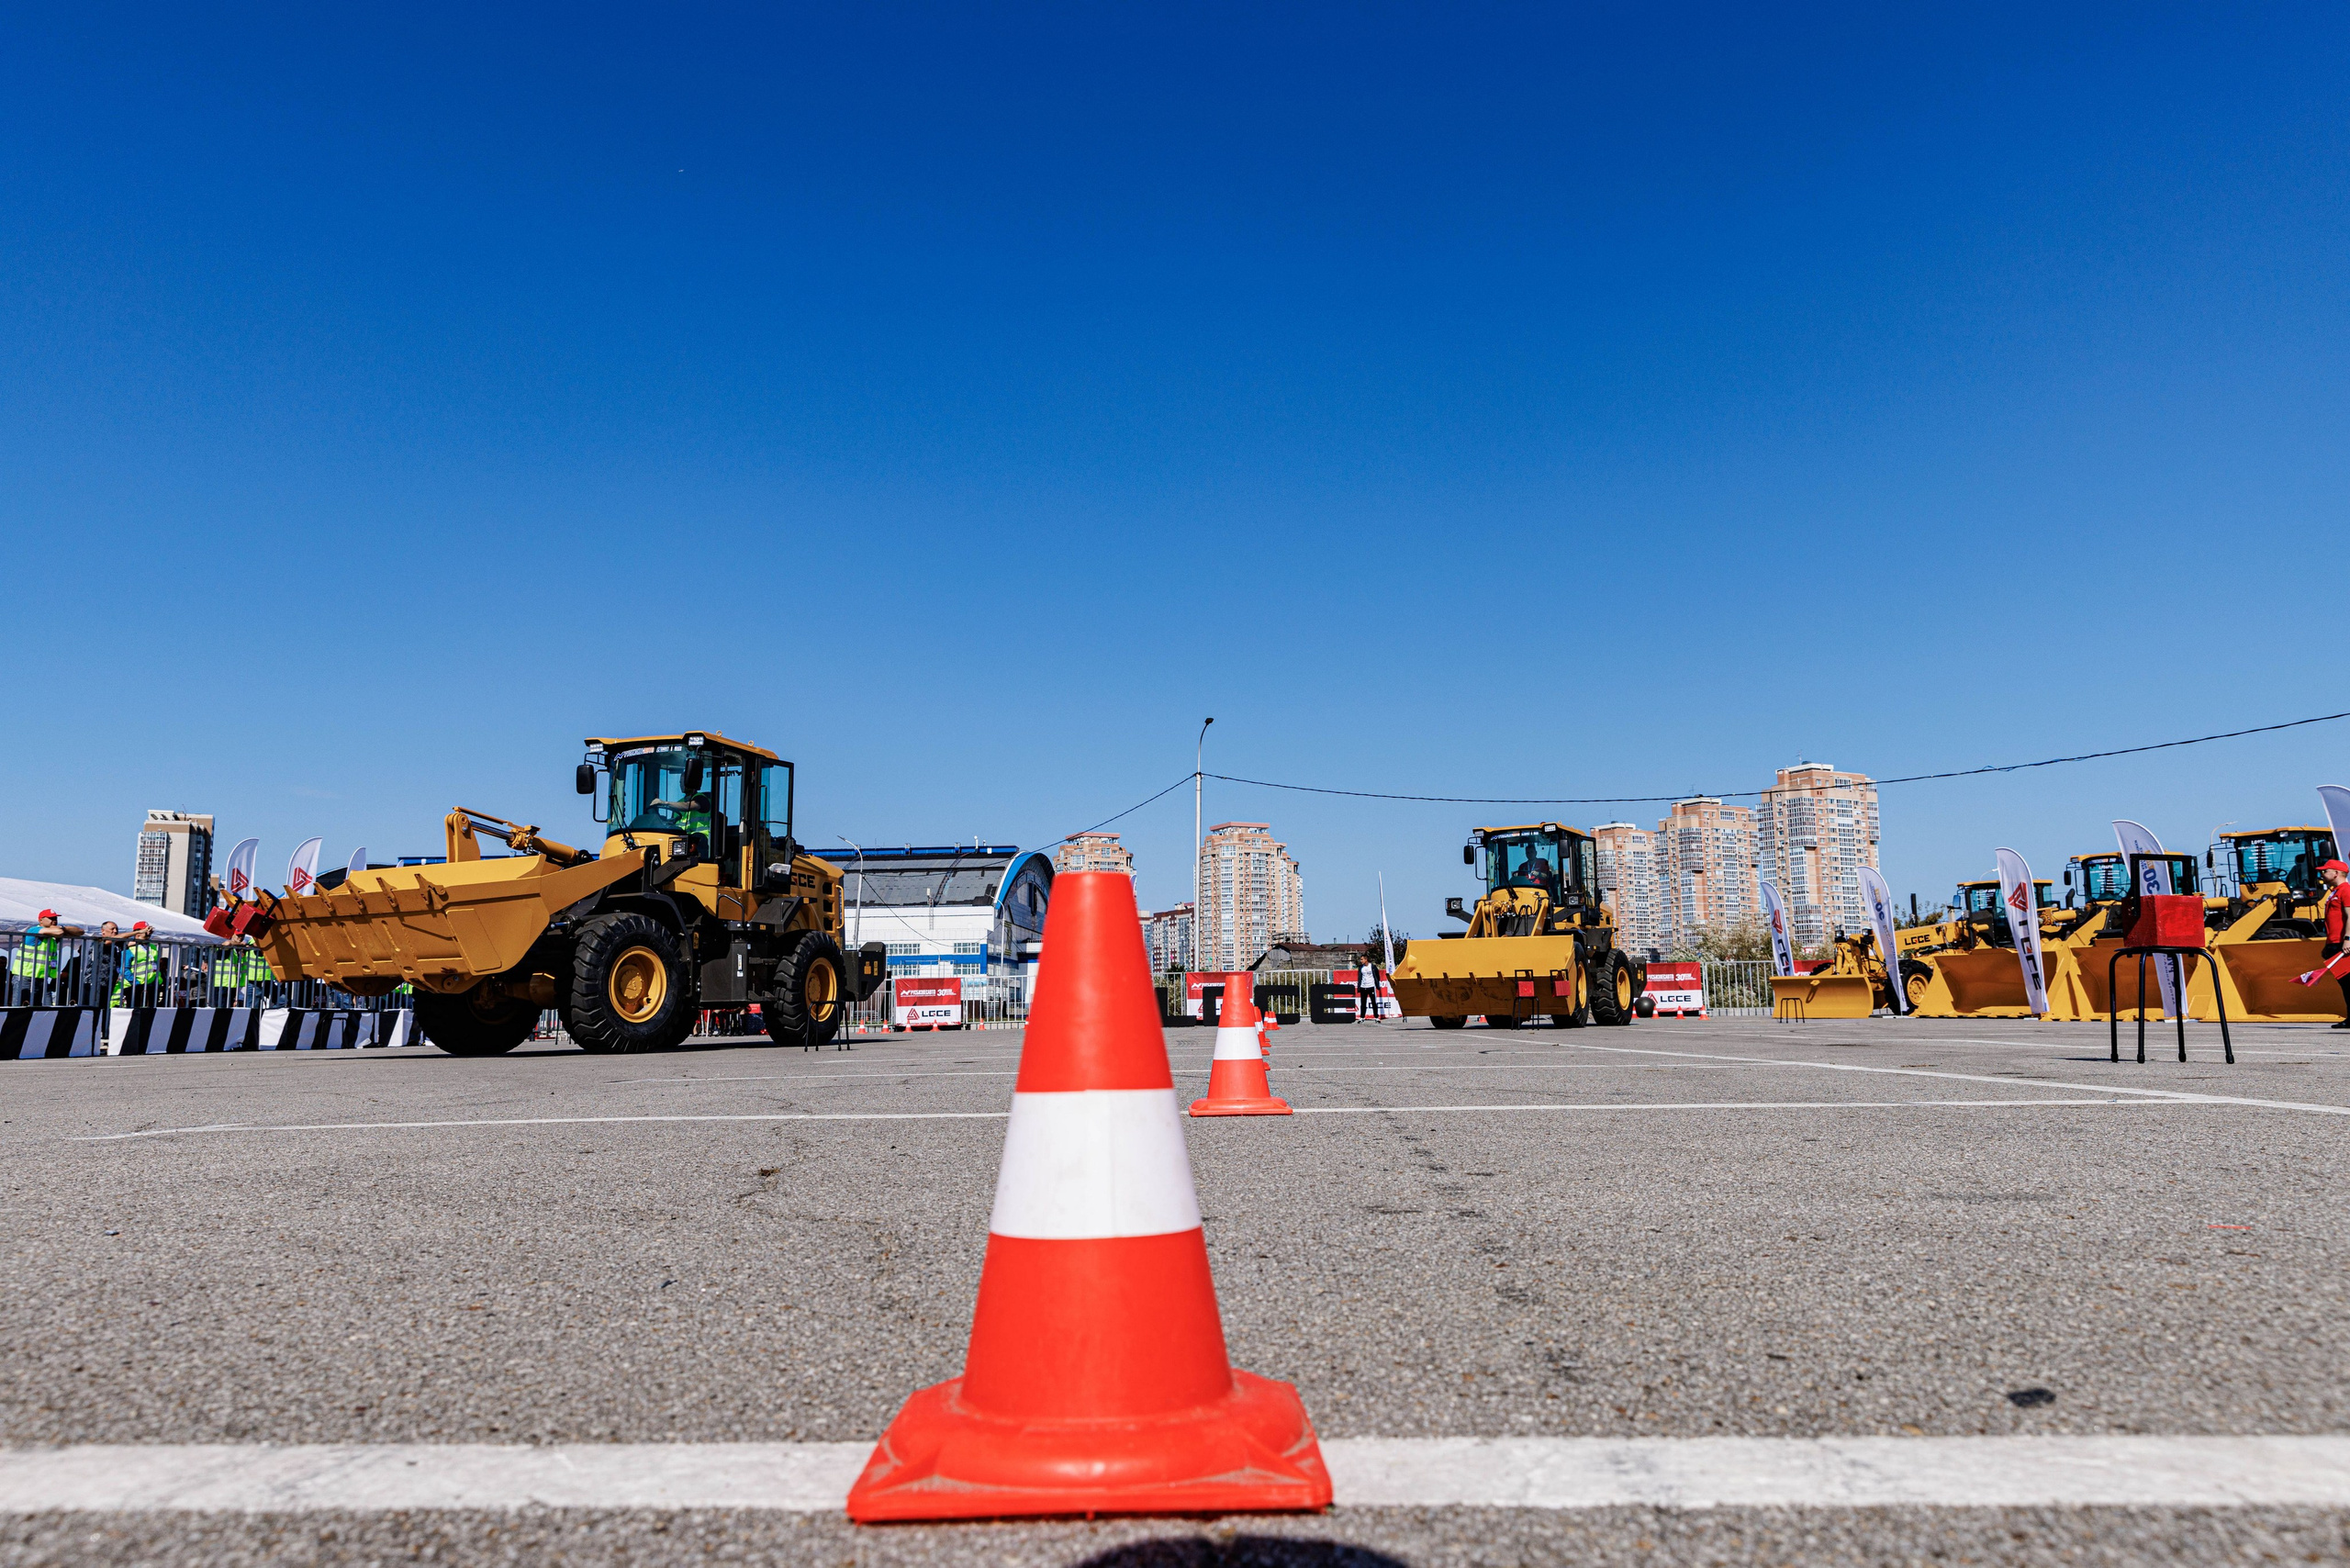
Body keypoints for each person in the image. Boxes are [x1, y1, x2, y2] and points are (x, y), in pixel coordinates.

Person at [10, 910, 83, 1007]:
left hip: (42, 979)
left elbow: (80, 932)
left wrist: (63, 928)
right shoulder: (34, 930)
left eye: (55, 918)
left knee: (47, 1009)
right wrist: (61, 929)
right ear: (41, 920)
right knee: (21, 1009)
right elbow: (59, 932)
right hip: (25, 978)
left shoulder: (53, 935)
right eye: (51, 918)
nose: (54, 920)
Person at [2322, 859, 2350, 1029]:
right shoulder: (2335, 892)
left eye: (2325, 871)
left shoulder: (2345, 890)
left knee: (2348, 982)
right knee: (2345, 984)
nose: (2322, 874)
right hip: (2334, 943)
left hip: (2342, 944)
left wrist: (2348, 939)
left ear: (2336, 873)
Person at [113, 922, 167, 1008]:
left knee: (150, 1011)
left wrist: (158, 980)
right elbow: (124, 969)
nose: (149, 933)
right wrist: (136, 982)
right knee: (136, 1010)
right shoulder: (129, 948)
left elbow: (155, 964)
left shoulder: (152, 946)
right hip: (135, 985)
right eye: (146, 931)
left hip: (152, 985)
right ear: (138, 933)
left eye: (150, 930)